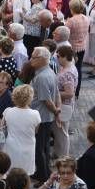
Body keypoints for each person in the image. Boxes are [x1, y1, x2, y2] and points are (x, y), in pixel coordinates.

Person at [29, 47, 59, 181]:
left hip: (41, 118)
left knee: (39, 149)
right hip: (45, 117)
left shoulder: (42, 77)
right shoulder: (48, 72)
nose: (31, 59)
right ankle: (44, 172)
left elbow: (46, 100)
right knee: (44, 147)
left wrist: (56, 110)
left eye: (34, 57)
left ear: (42, 59)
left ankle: (43, 175)